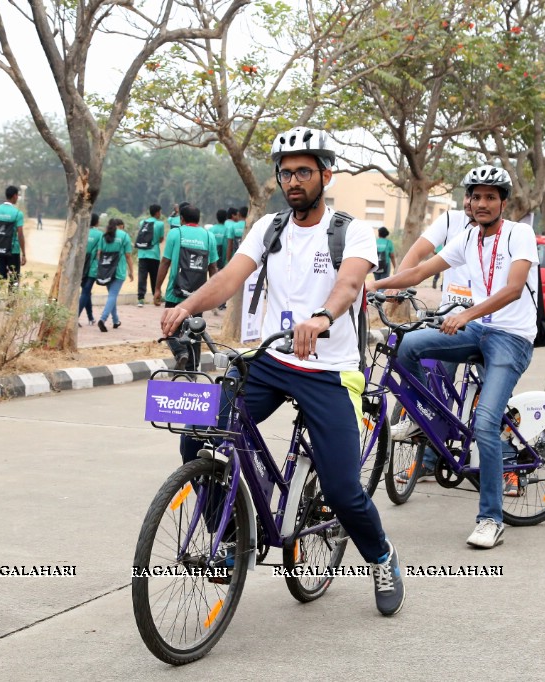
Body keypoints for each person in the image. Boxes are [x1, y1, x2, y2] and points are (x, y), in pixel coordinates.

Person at [160, 127, 404, 616]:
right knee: (198, 433)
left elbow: (350, 282)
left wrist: (323, 318)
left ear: (324, 175)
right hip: (271, 361)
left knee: (342, 490)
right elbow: (231, 276)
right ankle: (230, 537)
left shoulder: (349, 231)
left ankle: (381, 557)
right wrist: (184, 306)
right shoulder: (269, 227)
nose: (293, 180)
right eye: (286, 172)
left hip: (330, 371)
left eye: (304, 171)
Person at [371, 164, 539, 550]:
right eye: (475, 197)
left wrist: (465, 314)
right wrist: (372, 286)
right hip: (478, 329)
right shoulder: (465, 238)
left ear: (503, 203)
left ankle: (491, 519)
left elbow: (514, 289)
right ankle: (422, 419)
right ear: (467, 201)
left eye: (490, 198)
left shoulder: (520, 234)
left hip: (510, 338)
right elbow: (417, 273)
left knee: (484, 423)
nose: (481, 204)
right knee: (409, 347)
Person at [389, 188, 476, 484]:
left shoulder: (502, 232)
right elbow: (417, 254)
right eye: (470, 195)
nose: (473, 203)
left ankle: (506, 462)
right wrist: (396, 288)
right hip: (448, 317)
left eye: (483, 196)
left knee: (492, 394)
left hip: (486, 321)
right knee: (433, 388)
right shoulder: (451, 221)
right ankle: (427, 461)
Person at [154, 204, 218, 368]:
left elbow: (165, 262)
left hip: (175, 292)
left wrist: (157, 289)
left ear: (181, 219)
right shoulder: (208, 236)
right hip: (198, 296)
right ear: (199, 219)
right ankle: (193, 369)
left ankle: (180, 352)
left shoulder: (176, 233)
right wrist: (214, 293)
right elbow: (213, 267)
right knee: (195, 330)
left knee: (169, 327)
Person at [0, 185, 26, 294]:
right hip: (13, 250)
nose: (17, 198)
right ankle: (10, 307)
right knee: (14, 278)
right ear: (14, 196)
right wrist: (24, 254)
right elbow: (20, 234)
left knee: (1, 275)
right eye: (17, 196)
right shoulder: (17, 213)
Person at [95, 218, 134, 332]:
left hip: (106, 270)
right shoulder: (124, 236)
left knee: (112, 296)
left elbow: (99, 254)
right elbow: (128, 256)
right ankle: (103, 319)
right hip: (119, 269)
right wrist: (131, 272)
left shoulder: (104, 236)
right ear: (120, 226)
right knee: (112, 296)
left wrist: (101, 267)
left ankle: (116, 321)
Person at [136, 204, 165, 307]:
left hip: (142, 253)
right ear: (157, 212)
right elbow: (161, 239)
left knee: (142, 276)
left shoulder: (142, 222)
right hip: (154, 254)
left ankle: (140, 299)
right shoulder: (160, 224)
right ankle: (156, 296)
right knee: (155, 277)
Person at [78, 213, 103, 326]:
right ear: (97, 222)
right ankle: (75, 317)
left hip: (80, 267)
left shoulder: (81, 232)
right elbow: (99, 253)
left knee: (86, 292)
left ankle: (91, 317)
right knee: (86, 291)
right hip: (92, 267)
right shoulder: (100, 234)